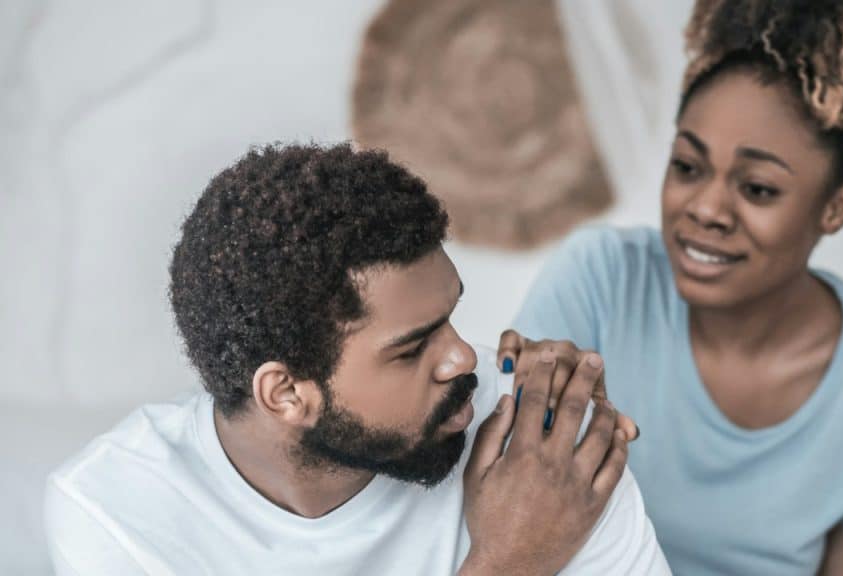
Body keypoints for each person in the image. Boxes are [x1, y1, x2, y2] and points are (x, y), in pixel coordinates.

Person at [44, 143, 668, 575]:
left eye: (449, 318)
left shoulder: (541, 449)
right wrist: (509, 562)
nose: (459, 357)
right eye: (411, 347)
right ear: (285, 393)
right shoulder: (117, 511)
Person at [498, 1, 843, 574]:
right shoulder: (599, 279)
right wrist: (510, 401)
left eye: (756, 189)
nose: (704, 209)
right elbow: (504, 524)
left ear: (836, 207)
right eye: (687, 166)